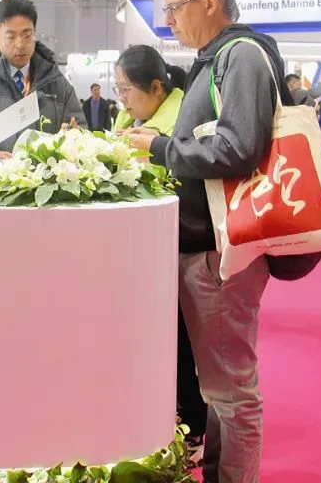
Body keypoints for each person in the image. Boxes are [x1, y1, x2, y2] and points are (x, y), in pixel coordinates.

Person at [124, 0, 288, 483]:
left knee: (231, 391)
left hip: (224, 249)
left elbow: (238, 148)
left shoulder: (241, 56)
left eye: (174, 8)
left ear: (210, 2)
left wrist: (160, 148)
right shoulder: (217, 58)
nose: (169, 20)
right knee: (218, 387)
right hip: (209, 246)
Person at [110, 45, 204, 451]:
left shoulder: (181, 124)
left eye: (126, 90)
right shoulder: (131, 118)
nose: (121, 99)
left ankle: (194, 424)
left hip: (182, 245)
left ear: (155, 87)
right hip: (144, 251)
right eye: (117, 89)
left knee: (184, 341)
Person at [0, 0, 86, 152]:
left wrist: (74, 137)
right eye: (10, 37)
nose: (20, 44)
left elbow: (81, 133)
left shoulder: (57, 83)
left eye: (27, 35)